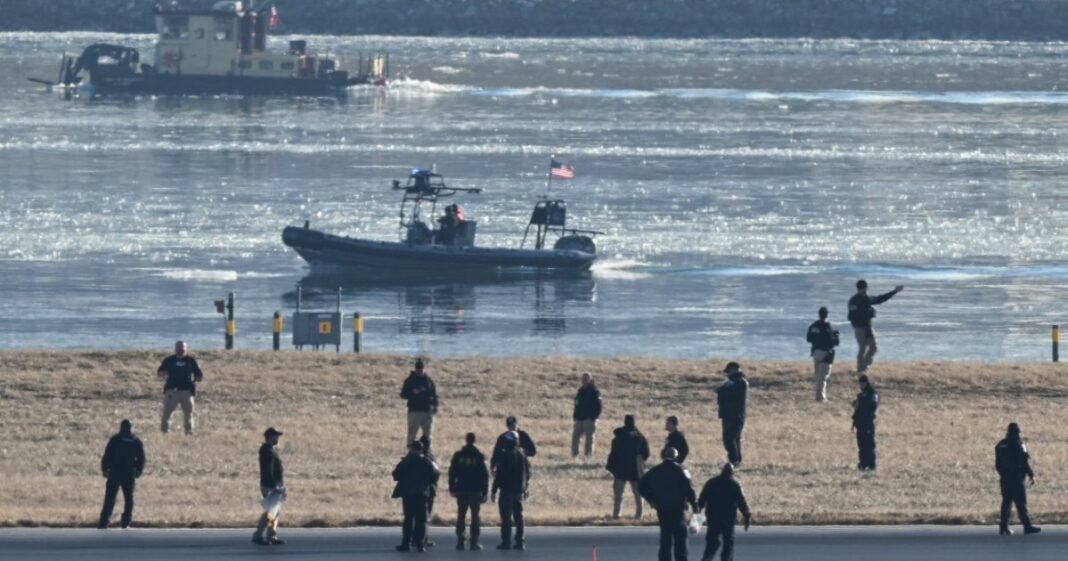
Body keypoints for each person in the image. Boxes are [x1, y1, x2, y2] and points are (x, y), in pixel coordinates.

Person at [638, 447, 697, 561]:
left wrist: (651, 500)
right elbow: (690, 488)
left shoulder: (655, 470)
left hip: (662, 508)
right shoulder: (681, 470)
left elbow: (641, 485)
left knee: (665, 538)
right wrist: (694, 504)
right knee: (680, 539)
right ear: (676, 457)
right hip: (678, 509)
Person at [392, 440, 440, 552]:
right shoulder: (427, 462)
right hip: (422, 495)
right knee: (421, 520)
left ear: (413, 449)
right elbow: (435, 475)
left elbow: (395, 475)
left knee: (408, 519)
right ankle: (420, 544)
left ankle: (406, 544)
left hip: (408, 495)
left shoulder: (406, 461)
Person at [697, 463, 751, 561]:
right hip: (728, 519)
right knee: (728, 544)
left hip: (713, 518)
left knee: (712, 543)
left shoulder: (711, 482)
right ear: (732, 472)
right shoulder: (734, 484)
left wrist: (697, 511)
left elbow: (702, 499)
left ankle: (707, 558)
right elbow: (741, 502)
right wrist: (746, 516)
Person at [98, 419, 145, 529]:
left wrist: (104, 469)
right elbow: (141, 458)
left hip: (115, 472)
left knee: (110, 498)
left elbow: (107, 455)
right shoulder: (136, 441)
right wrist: (139, 470)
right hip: (129, 473)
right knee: (129, 498)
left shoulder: (115, 440)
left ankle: (104, 521)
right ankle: (126, 521)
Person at [847, 280, 903, 373]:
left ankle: (862, 368)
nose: (866, 290)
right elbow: (879, 299)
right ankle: (862, 368)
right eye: (865, 288)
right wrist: (870, 313)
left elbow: (879, 299)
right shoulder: (861, 299)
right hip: (862, 328)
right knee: (867, 348)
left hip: (862, 327)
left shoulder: (855, 300)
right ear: (863, 288)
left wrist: (894, 291)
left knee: (868, 348)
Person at [996, 423, 1041, 535]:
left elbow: (997, 464)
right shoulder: (1020, 444)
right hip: (1017, 479)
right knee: (1021, 504)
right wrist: (1031, 475)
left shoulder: (1000, 445)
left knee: (1006, 503)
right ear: (1017, 433)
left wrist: (1003, 475)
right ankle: (1027, 527)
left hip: (1005, 479)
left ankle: (1003, 527)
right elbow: (1024, 462)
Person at [449, 432, 490, 550]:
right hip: (475, 491)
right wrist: (485, 491)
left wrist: (452, 488)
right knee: (475, 516)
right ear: (474, 441)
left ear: (466, 440)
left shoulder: (458, 455)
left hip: (461, 489)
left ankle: (460, 541)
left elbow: (452, 473)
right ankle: (474, 542)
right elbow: (485, 475)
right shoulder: (479, 456)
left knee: (461, 515)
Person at [606, 414, 651, 519]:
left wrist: (612, 466)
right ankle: (639, 515)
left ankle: (616, 515)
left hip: (620, 469)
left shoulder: (618, 437)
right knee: (638, 494)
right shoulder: (640, 438)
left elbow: (613, 453)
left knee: (618, 495)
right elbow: (646, 453)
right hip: (635, 469)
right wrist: (640, 463)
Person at [492, 431, 531, 551]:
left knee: (506, 518)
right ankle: (520, 542)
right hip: (519, 491)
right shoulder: (522, 454)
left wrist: (494, 490)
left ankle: (506, 542)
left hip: (506, 491)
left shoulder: (504, 455)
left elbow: (499, 475)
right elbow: (528, 473)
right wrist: (525, 487)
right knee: (519, 517)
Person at [157, 340, 204, 435]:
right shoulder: (169, 360)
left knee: (188, 414)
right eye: (178, 347)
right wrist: (164, 373)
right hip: (171, 391)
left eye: (182, 347)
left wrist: (195, 380)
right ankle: (165, 433)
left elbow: (199, 375)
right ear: (175, 348)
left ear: (186, 348)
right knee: (166, 413)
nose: (180, 349)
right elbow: (159, 372)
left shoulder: (191, 361)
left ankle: (189, 432)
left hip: (186, 392)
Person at [253, 427, 286, 545]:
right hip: (269, 485)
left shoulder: (270, 450)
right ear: (269, 437)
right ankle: (263, 535)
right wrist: (275, 487)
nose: (277, 438)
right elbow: (267, 471)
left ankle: (268, 535)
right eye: (275, 436)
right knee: (271, 513)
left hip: (272, 484)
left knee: (272, 512)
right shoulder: (266, 451)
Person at [400, 359, 438, 450]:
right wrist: (413, 392)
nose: (420, 372)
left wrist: (435, 407)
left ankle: (428, 451)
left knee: (427, 434)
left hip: (427, 411)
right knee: (412, 433)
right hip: (414, 411)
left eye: (421, 370)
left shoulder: (428, 381)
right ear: (415, 369)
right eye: (418, 370)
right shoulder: (410, 381)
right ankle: (410, 451)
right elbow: (403, 394)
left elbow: (434, 394)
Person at [715, 362, 748, 466]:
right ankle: (736, 459)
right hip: (727, 415)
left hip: (736, 415)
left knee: (730, 438)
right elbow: (720, 391)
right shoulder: (731, 382)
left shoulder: (741, 382)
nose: (727, 374)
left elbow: (727, 392)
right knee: (732, 438)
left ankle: (734, 460)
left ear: (735, 369)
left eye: (729, 371)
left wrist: (723, 392)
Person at [806, 306, 840, 402]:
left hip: (816, 352)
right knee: (822, 378)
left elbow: (808, 338)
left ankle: (821, 397)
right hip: (825, 353)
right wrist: (836, 336)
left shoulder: (813, 326)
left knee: (818, 377)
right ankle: (820, 399)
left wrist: (817, 339)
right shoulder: (827, 326)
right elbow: (833, 342)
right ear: (827, 315)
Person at [851, 375, 879, 471]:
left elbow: (873, 406)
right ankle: (863, 463)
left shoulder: (872, 394)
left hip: (867, 423)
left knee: (869, 444)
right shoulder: (860, 396)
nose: (861, 386)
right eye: (860, 384)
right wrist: (854, 423)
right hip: (860, 423)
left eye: (863, 384)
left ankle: (871, 464)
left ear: (867, 383)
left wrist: (862, 404)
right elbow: (856, 411)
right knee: (861, 445)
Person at [571, 372, 603, 458]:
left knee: (589, 439)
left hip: (589, 419)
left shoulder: (594, 391)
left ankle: (588, 456)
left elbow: (599, 406)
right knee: (575, 437)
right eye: (583, 379)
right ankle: (575, 455)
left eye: (586, 379)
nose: (584, 380)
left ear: (590, 380)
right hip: (580, 418)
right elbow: (576, 404)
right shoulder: (580, 391)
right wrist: (575, 415)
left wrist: (593, 417)